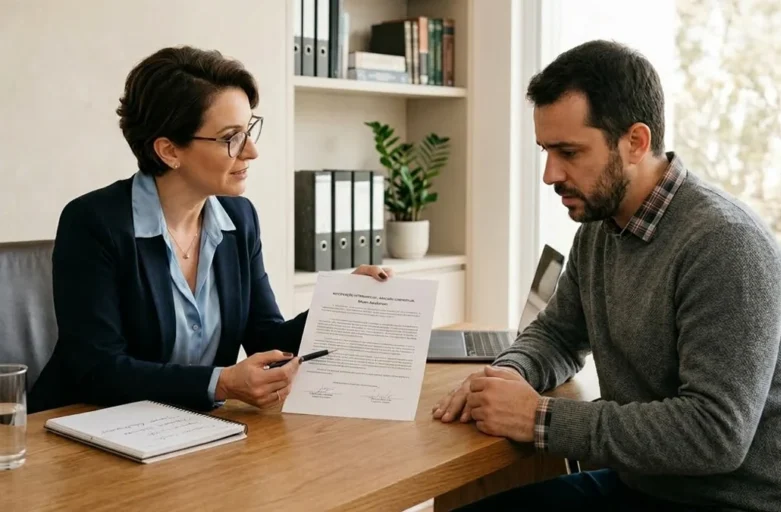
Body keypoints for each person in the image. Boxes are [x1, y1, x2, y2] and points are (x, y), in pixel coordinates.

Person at [433, 40, 781, 511]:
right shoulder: (601, 225)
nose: (550, 174)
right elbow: (557, 334)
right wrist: (505, 377)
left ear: (635, 142)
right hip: (643, 485)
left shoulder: (725, 244)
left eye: (569, 152)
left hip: (727, 502)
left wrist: (539, 417)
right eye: (545, 150)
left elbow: (715, 433)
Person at [29, 46, 392, 414]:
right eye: (231, 137)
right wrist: (219, 383)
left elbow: (265, 335)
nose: (251, 151)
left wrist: (340, 305)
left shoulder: (239, 218)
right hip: (79, 427)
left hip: (190, 427)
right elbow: (97, 369)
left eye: (249, 130)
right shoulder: (93, 222)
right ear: (169, 150)